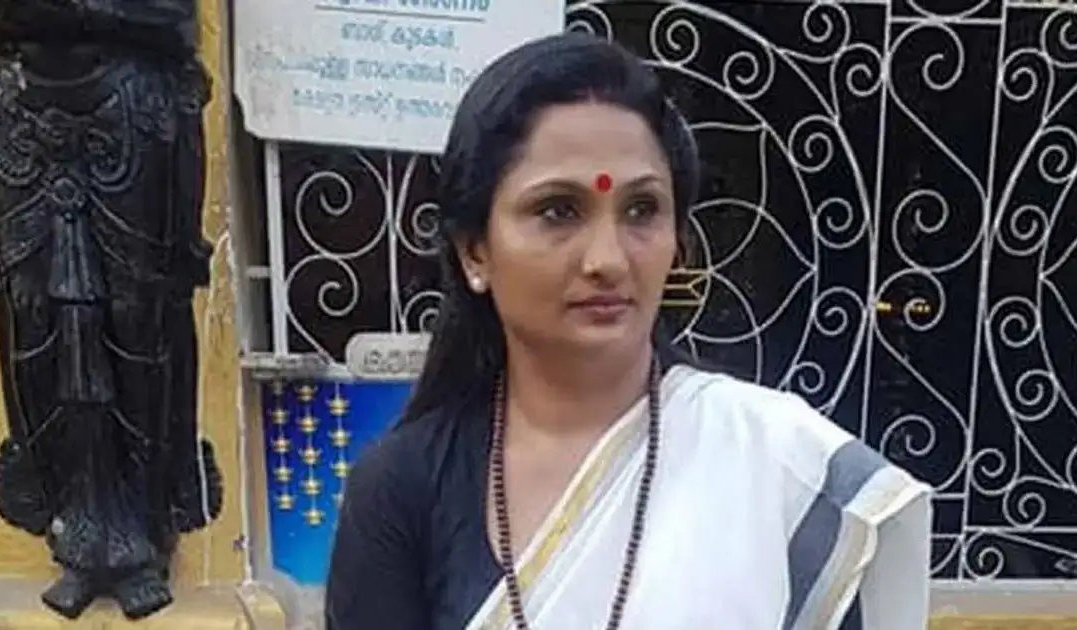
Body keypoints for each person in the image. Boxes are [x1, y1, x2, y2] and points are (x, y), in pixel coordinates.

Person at [325, 32, 932, 630]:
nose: (608, 259)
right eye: (558, 211)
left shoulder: (778, 465)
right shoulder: (401, 490)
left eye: (641, 210)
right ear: (474, 251)